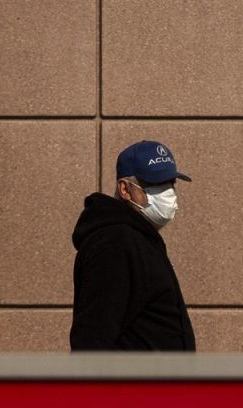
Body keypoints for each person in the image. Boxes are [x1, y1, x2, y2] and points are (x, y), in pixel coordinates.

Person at [69, 141, 195, 351]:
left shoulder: (139, 238)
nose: (168, 194)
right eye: (155, 185)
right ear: (125, 189)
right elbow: (91, 340)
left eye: (170, 183)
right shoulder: (114, 243)